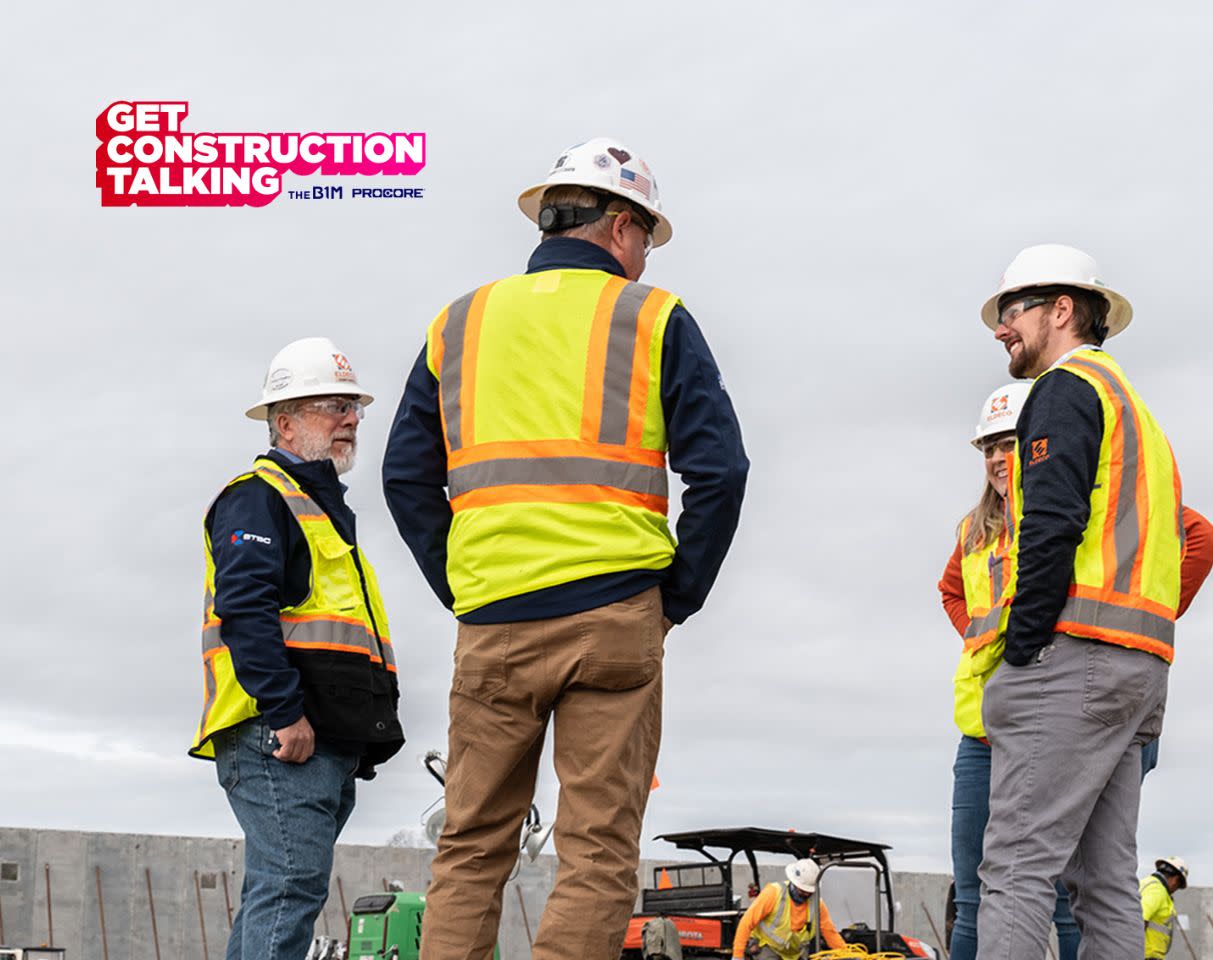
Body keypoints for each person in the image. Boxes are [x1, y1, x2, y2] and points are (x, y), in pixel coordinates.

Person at [383, 138, 748, 960]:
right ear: (618, 225)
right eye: (646, 238)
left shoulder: (460, 323)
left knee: (472, 845)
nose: (647, 257)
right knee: (596, 849)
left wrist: (465, 582)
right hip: (616, 616)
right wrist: (673, 598)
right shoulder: (651, 318)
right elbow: (720, 472)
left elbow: (406, 477)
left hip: (493, 622)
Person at [974, 244, 1184, 960]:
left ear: (1061, 310)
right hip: (1139, 670)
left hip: (1073, 660)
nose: (1000, 328)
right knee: (1103, 881)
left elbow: (1051, 526)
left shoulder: (1064, 393)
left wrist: (1022, 647)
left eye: (1011, 311)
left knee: (1014, 867)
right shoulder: (1134, 410)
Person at [189, 337, 404, 960]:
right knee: (288, 892)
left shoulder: (319, 506)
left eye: (353, 407)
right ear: (283, 422)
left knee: (283, 893)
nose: (351, 418)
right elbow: (245, 611)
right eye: (331, 406)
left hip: (317, 739)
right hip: (279, 735)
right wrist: (285, 712)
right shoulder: (259, 497)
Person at [939, 382, 1081, 960]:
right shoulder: (974, 528)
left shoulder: (1074, 504)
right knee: (972, 894)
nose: (998, 458)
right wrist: (986, 637)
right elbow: (951, 592)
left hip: (1052, 718)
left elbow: (1194, 534)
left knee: (1064, 896)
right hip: (981, 727)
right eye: (988, 448)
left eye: (1010, 443)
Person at [732, 860, 846, 959]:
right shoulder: (773, 893)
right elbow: (747, 922)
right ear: (794, 883)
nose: (806, 894)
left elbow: (829, 932)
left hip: (794, 953)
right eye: (802, 890)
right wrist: (737, 955)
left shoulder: (817, 903)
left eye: (809, 892)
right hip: (767, 947)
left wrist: (845, 954)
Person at [1140, 856, 1187, 959]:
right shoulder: (1158, 891)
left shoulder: (1145, 883)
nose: (1175, 890)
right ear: (1176, 880)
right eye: (1178, 887)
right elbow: (1140, 919)